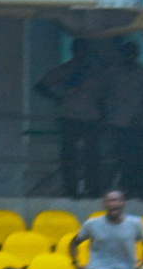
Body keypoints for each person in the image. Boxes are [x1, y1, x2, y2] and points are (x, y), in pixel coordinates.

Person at [35, 41, 108, 197]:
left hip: (91, 118)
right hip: (70, 116)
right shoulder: (64, 70)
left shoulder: (95, 72)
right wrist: (58, 99)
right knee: (69, 156)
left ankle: (93, 189)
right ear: (73, 51)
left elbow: (104, 95)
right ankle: (71, 190)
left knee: (92, 156)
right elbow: (41, 86)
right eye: (78, 49)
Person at [102, 41, 143, 197]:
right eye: (127, 52)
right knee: (121, 157)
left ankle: (140, 189)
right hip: (118, 122)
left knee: (140, 157)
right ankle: (124, 189)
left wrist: (141, 116)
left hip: (140, 124)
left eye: (132, 52)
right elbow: (105, 95)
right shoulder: (112, 73)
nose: (129, 55)